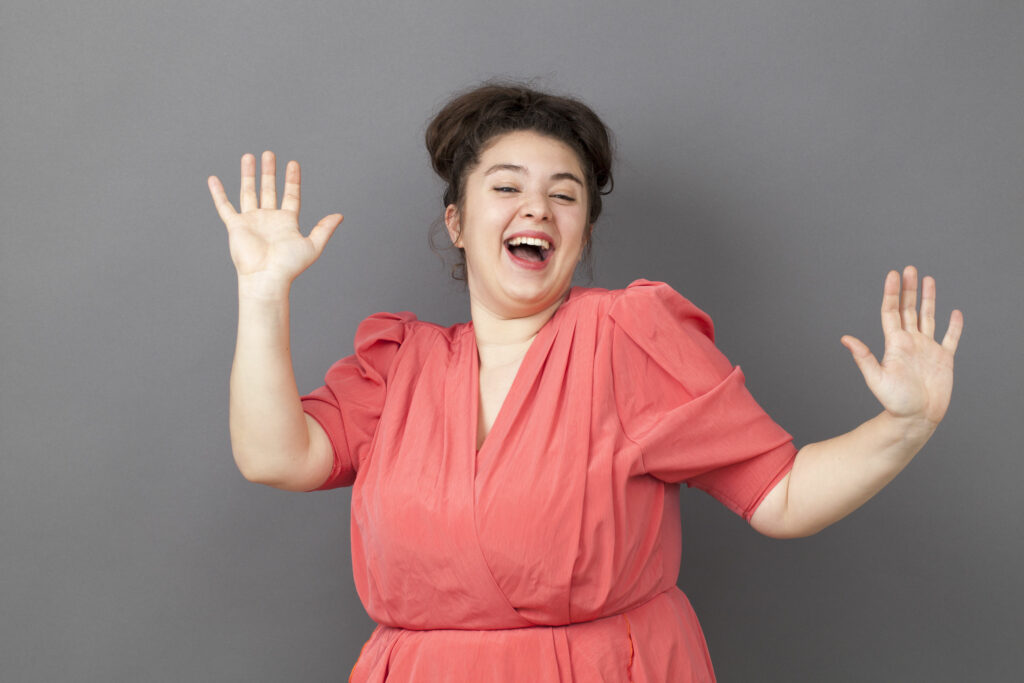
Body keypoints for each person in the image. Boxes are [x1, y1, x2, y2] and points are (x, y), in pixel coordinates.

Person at [207, 83, 964, 682]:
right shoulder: (398, 362)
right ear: (458, 223)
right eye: (506, 187)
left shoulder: (629, 338)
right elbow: (275, 454)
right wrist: (263, 292)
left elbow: (786, 496)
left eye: (564, 194)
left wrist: (906, 424)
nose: (537, 205)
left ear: (582, 235)